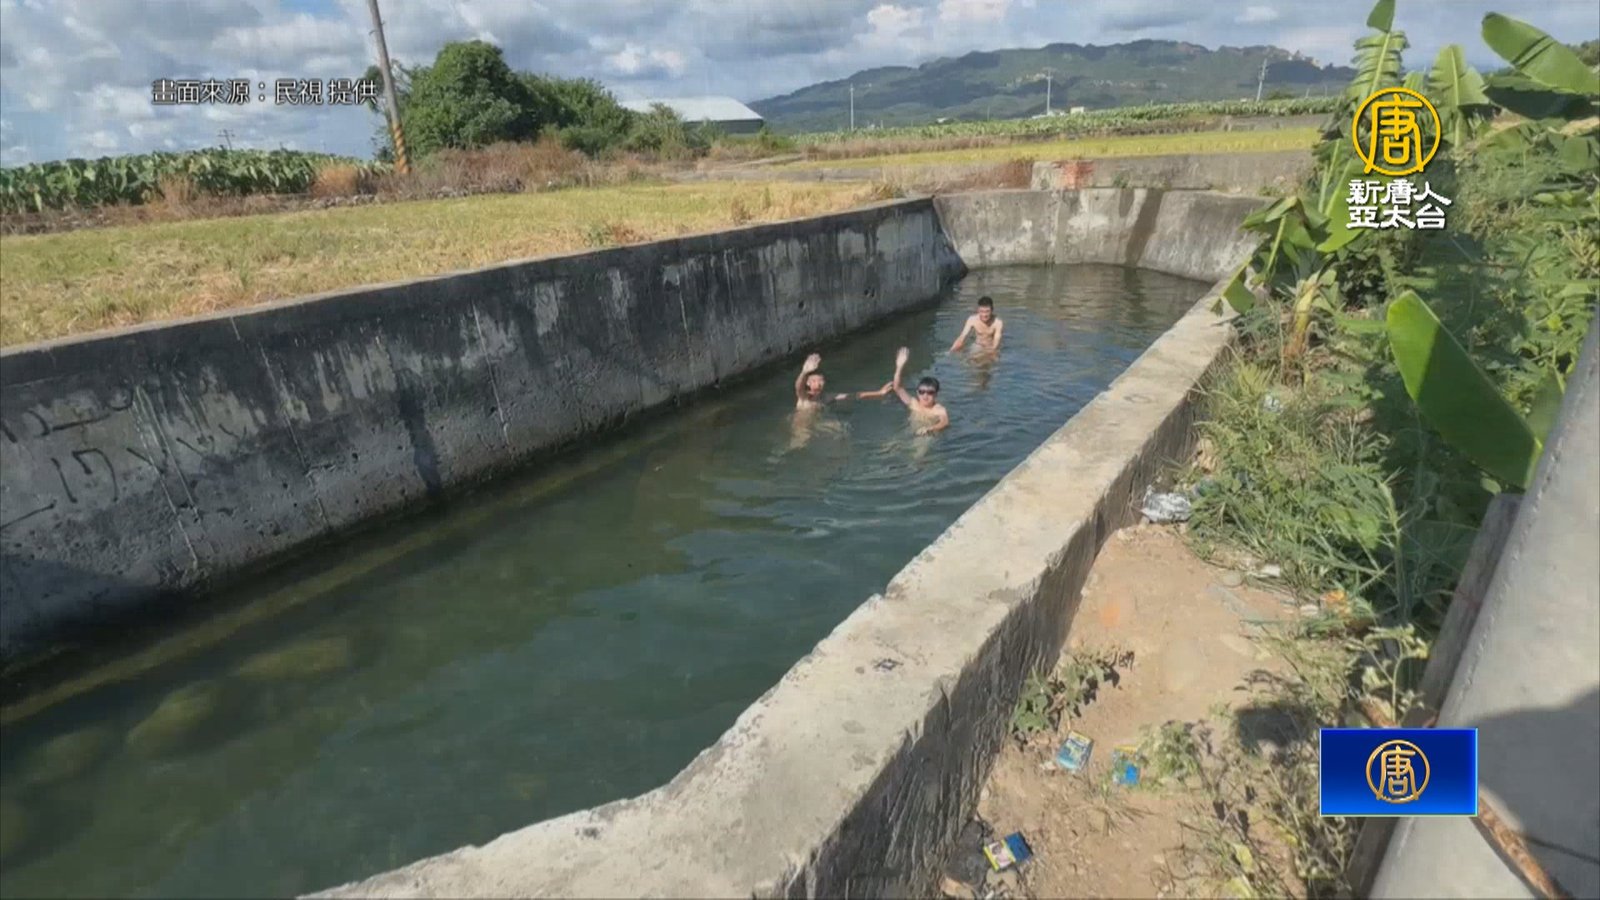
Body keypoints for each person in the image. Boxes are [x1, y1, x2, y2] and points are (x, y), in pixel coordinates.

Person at [889, 346, 950, 435]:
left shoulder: (938, 410)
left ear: (936, 394)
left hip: (926, 435)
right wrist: (899, 366)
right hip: (909, 431)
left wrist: (930, 428)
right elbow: (897, 387)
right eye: (922, 392)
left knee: (920, 448)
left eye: (930, 392)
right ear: (917, 392)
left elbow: (945, 422)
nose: (925, 395)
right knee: (890, 445)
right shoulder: (913, 403)